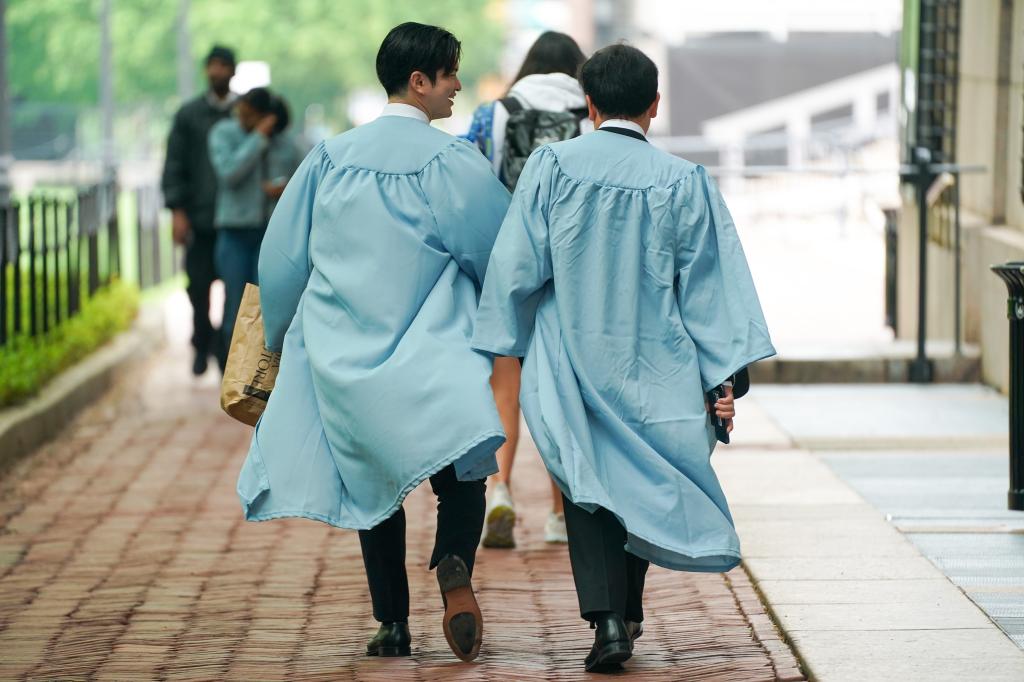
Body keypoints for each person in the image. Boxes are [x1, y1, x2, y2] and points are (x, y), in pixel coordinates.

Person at [471, 44, 776, 673]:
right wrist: (723, 375)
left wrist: (501, 340)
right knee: (643, 478)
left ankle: (609, 618)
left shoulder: (552, 167)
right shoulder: (683, 181)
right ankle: (627, 615)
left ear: (590, 102)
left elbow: (517, 269)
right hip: (657, 363)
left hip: (570, 357)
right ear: (655, 105)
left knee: (586, 484)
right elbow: (710, 288)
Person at [235, 23, 511, 663]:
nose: (458, 87)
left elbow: (280, 262)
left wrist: (277, 340)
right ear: (420, 81)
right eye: (450, 74)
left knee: (372, 491)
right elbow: (494, 252)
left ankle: (391, 624)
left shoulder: (328, 159)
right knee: (463, 478)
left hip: (343, 359)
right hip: (436, 355)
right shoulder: (450, 162)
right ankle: (452, 565)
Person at [464, 31, 589, 549]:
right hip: (572, 271)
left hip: (506, 262)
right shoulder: (591, 113)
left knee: (504, 384)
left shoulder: (494, 113)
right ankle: (562, 514)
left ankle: (500, 488)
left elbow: (469, 185)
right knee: (564, 389)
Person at [208, 87, 303, 355]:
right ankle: (232, 377)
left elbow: (303, 176)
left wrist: (284, 188)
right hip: (235, 232)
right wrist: (257, 138)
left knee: (267, 306)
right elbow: (229, 173)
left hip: (271, 234)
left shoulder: (284, 142)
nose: (243, 119)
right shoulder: (224, 133)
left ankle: (261, 377)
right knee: (236, 306)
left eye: (251, 116)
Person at [161, 45, 237, 375]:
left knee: (236, 288)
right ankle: (201, 340)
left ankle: (224, 347)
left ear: (232, 71)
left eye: (222, 66)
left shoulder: (244, 113)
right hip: (200, 217)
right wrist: (178, 210)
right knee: (198, 287)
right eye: (212, 66)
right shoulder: (189, 115)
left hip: (236, 221)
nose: (216, 72)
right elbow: (174, 164)